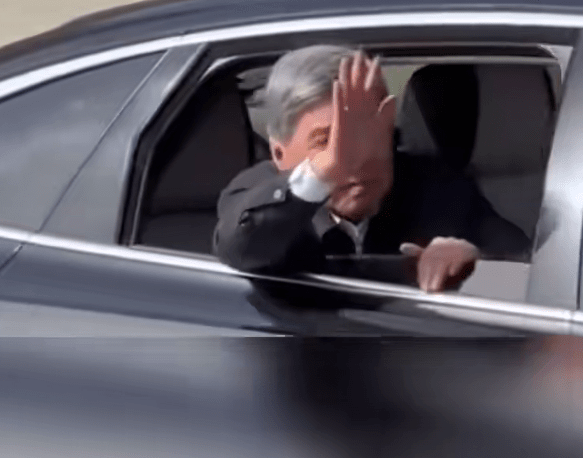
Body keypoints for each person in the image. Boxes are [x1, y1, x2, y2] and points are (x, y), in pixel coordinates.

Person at [214, 46, 529, 289]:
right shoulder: (264, 195)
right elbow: (243, 247)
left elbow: (532, 270)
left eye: (369, 134)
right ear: (279, 153)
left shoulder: (438, 189)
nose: (358, 159)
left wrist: (476, 262)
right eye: (327, 141)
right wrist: (325, 171)